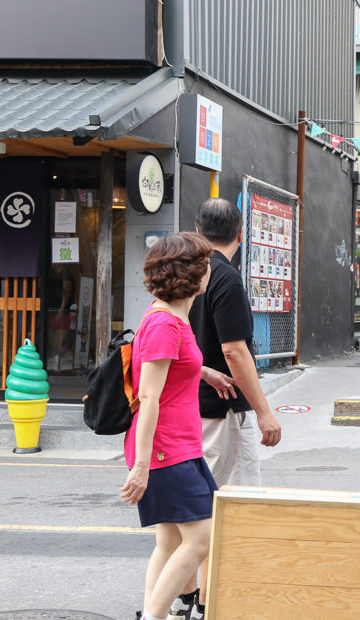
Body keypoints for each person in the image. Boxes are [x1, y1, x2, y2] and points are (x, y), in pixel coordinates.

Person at [173, 198, 283, 619]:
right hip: (220, 414)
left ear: (198, 229)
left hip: (185, 409)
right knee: (227, 508)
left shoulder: (184, 273)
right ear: (241, 234)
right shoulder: (226, 279)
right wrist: (264, 411)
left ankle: (187, 596)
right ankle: (210, 601)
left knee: (190, 508)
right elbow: (235, 351)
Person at [122, 232, 230, 620]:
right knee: (201, 537)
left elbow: (170, 366)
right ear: (190, 275)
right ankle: (153, 617)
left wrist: (203, 373)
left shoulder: (173, 318)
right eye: (205, 265)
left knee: (169, 541)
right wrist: (141, 466)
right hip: (165, 448)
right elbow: (149, 396)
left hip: (179, 444)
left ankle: (157, 615)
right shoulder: (165, 322)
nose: (210, 272)